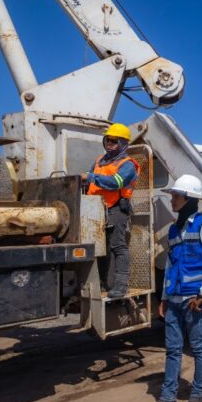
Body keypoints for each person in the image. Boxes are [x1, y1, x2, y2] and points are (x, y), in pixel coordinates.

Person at [140, 175, 202, 402]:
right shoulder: (174, 230)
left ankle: (197, 395)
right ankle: (168, 399)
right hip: (174, 299)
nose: (172, 200)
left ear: (187, 198)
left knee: (198, 347)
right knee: (172, 350)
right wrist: (164, 298)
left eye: (175, 196)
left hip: (194, 299)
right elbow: (171, 265)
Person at [85, 123, 139, 299]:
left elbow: (116, 182)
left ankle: (121, 285)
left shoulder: (127, 164)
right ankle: (101, 282)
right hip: (96, 209)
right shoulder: (99, 160)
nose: (109, 143)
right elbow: (90, 181)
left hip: (116, 208)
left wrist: (91, 177)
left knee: (117, 245)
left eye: (114, 141)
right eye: (107, 139)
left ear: (123, 143)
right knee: (100, 247)